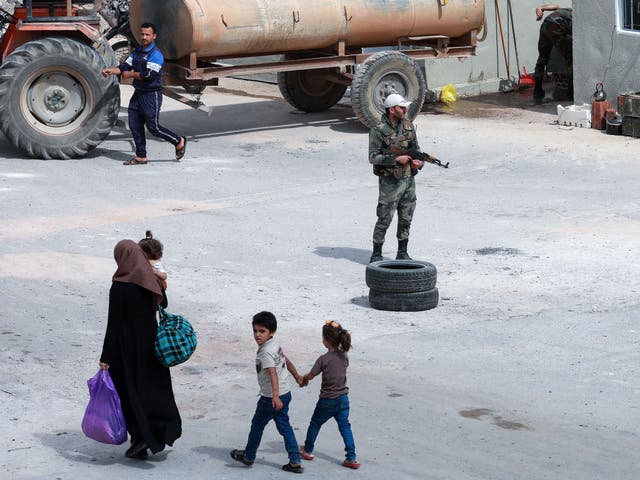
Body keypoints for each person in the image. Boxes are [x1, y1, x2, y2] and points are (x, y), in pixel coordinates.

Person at [99, 239, 181, 460]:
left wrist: (106, 356)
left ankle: (141, 437)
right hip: (151, 345)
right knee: (152, 389)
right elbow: (162, 304)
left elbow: (113, 323)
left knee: (128, 391)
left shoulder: (119, 285)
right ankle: (156, 432)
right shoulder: (149, 279)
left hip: (126, 347)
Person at [230, 311, 304, 474]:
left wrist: (275, 397)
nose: (257, 335)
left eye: (262, 331)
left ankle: (249, 456)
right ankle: (295, 461)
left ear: (271, 332)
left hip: (271, 398)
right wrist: (297, 376)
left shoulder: (265, 352)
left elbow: (272, 373)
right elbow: (286, 360)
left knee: (257, 425)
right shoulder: (274, 344)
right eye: (255, 331)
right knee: (285, 427)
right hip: (286, 393)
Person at [102, 22, 186, 165]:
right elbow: (124, 66)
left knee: (154, 128)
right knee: (134, 124)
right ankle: (141, 156)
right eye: (142, 34)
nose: (144, 37)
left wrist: (131, 74)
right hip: (138, 93)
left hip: (151, 95)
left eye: (147, 34)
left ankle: (178, 141)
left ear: (154, 36)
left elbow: (149, 76)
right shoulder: (137, 51)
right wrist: (111, 71)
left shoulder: (156, 55)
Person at [368, 93, 424, 263]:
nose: (405, 110)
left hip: (408, 180)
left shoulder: (408, 126)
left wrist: (419, 162)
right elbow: (373, 157)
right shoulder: (378, 130)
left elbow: (417, 150)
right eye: (401, 107)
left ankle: (402, 251)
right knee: (385, 217)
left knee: (406, 216)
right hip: (390, 182)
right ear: (392, 109)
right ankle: (377, 253)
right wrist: (394, 159)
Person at [299, 321, 360, 469]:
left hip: (327, 400)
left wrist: (303, 379)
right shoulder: (344, 356)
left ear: (326, 341)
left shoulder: (323, 359)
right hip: (343, 399)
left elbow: (311, 375)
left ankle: (307, 450)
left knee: (315, 423)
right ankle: (351, 458)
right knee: (345, 427)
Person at [533, 4, 573, 100]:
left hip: (546, 25)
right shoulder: (577, 17)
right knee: (572, 58)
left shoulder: (566, 10)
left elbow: (555, 6)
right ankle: (571, 92)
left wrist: (541, 8)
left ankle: (537, 90)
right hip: (557, 26)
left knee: (542, 58)